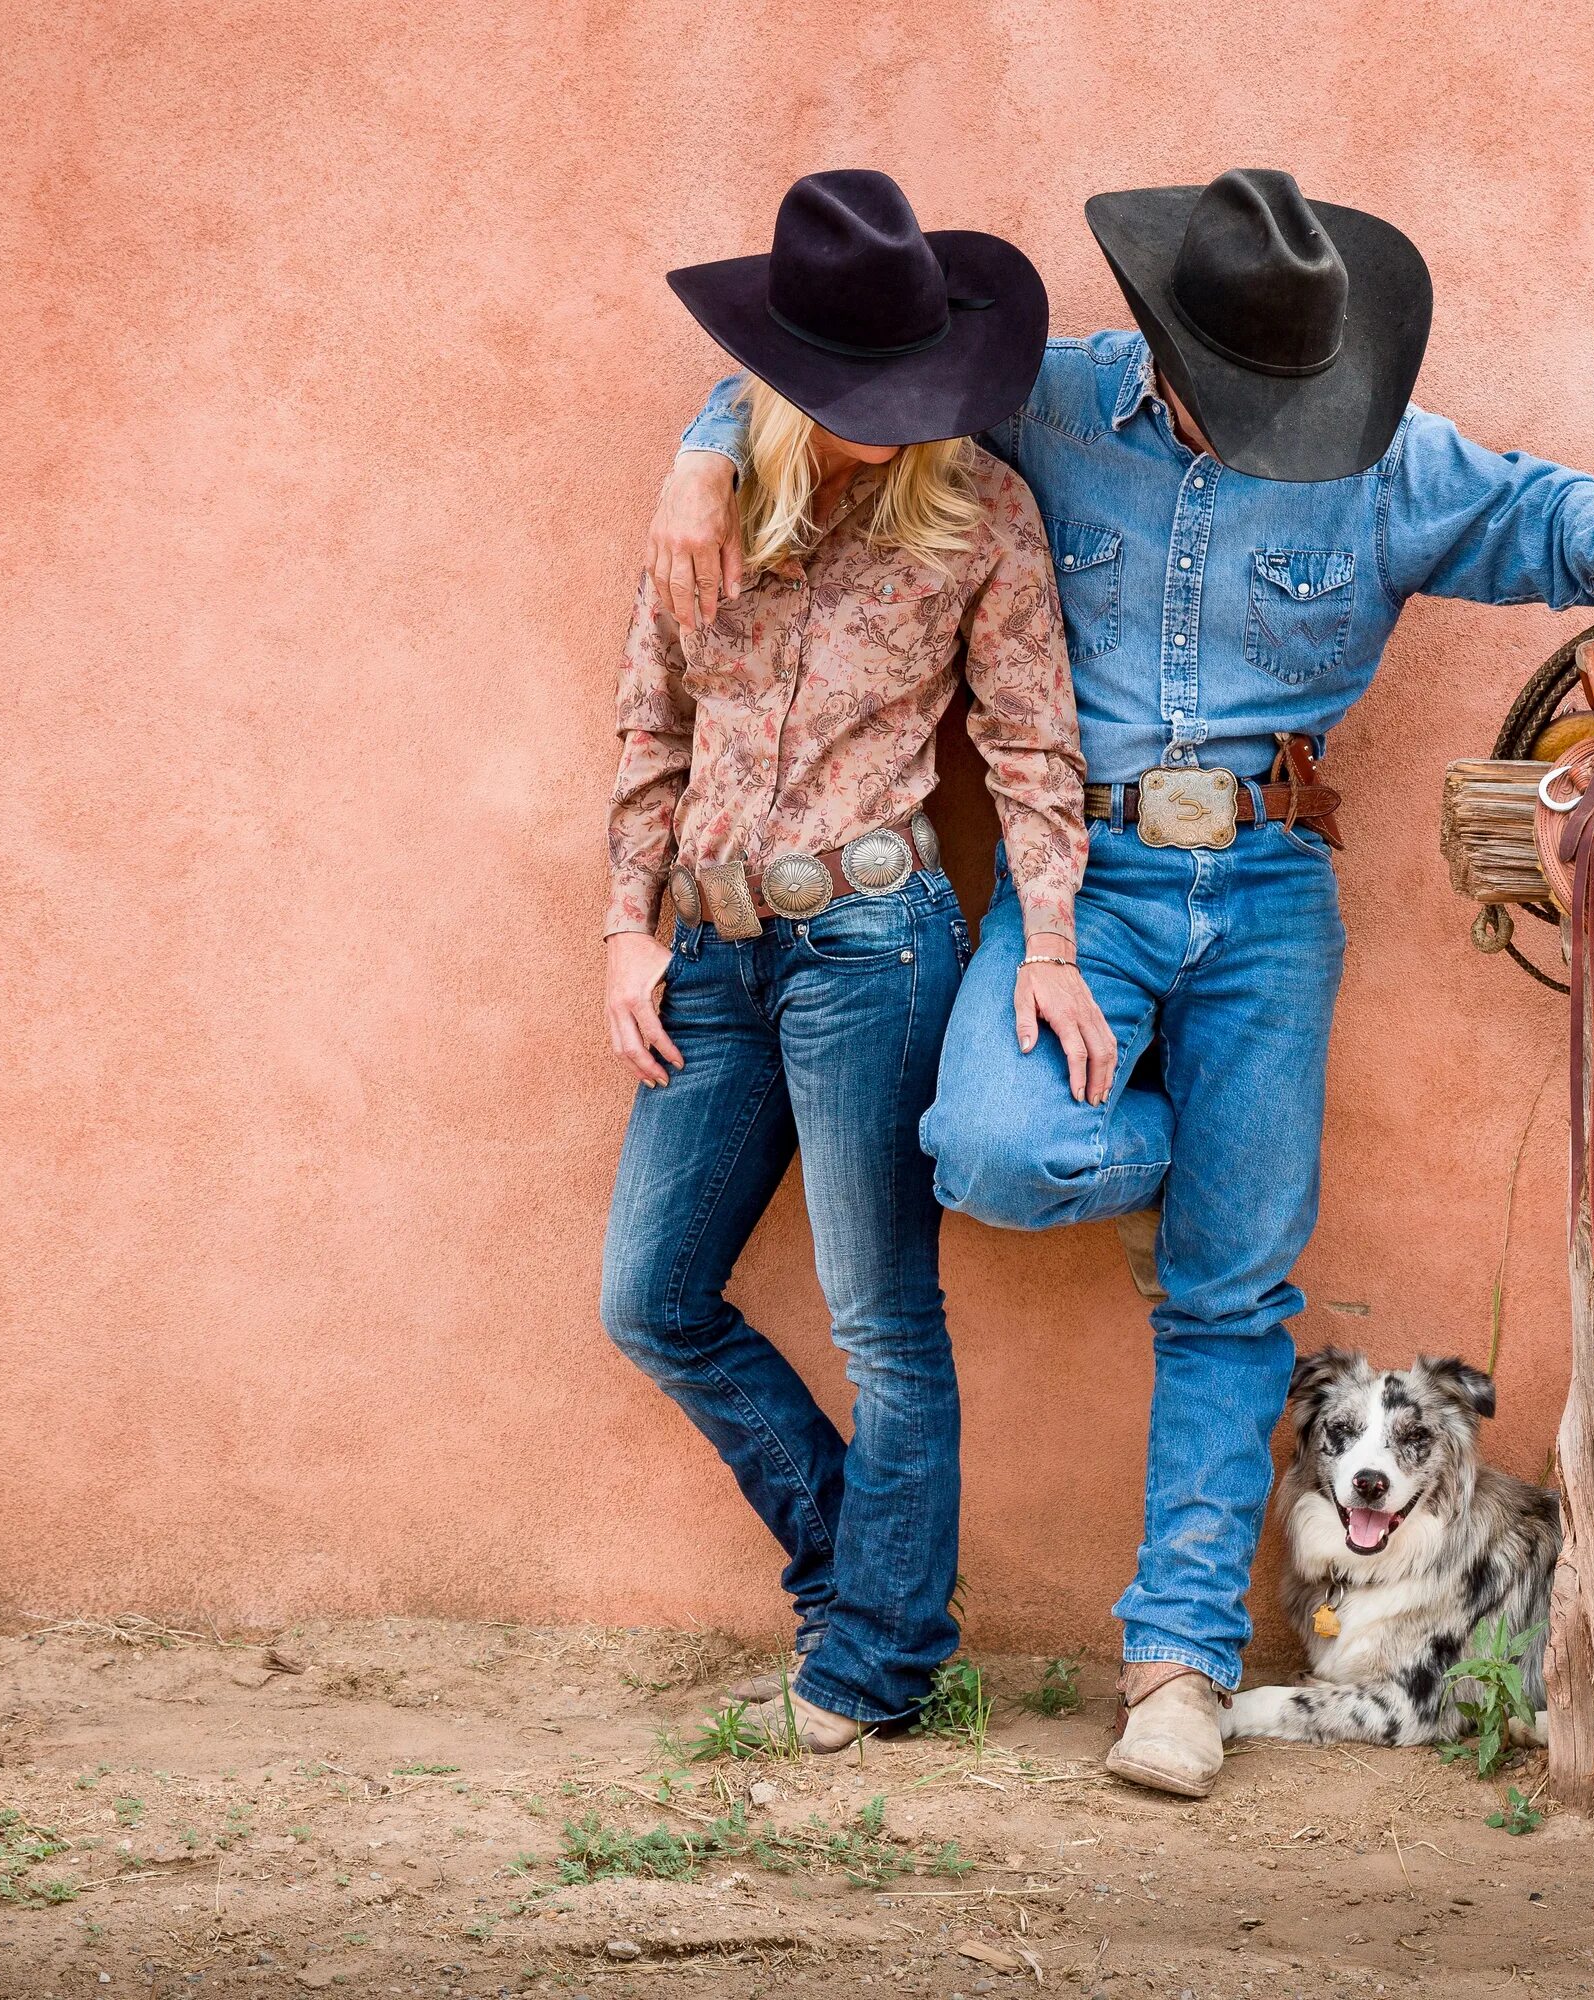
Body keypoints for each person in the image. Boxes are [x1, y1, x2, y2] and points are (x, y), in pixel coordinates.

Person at [647, 170, 1594, 1797]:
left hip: (1274, 884)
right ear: (1163, 351)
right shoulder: (1058, 398)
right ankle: (1190, 1162)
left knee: (1232, 1298)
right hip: (1076, 878)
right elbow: (856, 368)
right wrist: (710, 439)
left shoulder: (1386, 452)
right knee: (993, 1150)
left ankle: (1175, 1666)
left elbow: (1551, 508)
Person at [599, 171, 1110, 1751]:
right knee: (651, 1298)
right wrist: (629, 921)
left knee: (884, 1318)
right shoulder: (708, 502)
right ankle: (870, 1581)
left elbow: (1033, 747)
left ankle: (877, 1658)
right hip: (713, 952)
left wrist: (1054, 941)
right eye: (852, 391)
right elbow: (651, 721)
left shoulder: (982, 511)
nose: (889, 419)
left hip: (873, 949)